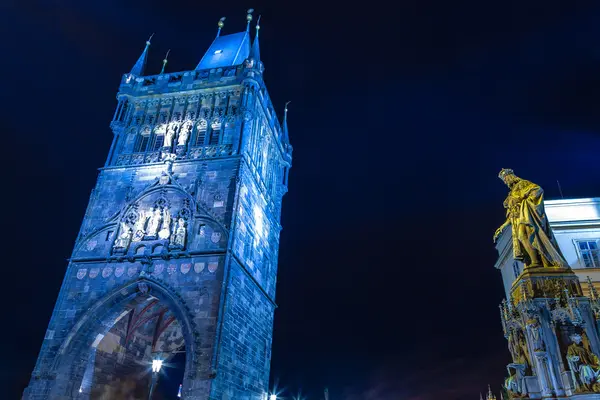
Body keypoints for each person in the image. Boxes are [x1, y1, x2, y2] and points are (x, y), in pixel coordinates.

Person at [493, 169, 568, 269]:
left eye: (506, 179)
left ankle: (537, 261)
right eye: (504, 181)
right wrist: (503, 226)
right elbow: (511, 213)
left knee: (530, 235)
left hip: (528, 216)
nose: (505, 182)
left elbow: (538, 190)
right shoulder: (510, 194)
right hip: (518, 219)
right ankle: (535, 261)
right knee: (522, 237)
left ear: (511, 176)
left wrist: (521, 198)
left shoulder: (523, 184)